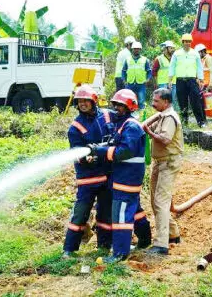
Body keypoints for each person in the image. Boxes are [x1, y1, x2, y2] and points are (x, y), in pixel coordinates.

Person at [91, 89, 151, 263]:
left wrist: (101, 151)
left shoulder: (131, 126)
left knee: (122, 215)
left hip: (127, 178)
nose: (116, 108)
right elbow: (116, 143)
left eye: (121, 105)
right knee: (134, 209)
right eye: (115, 104)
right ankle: (145, 239)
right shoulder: (124, 124)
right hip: (124, 178)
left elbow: (125, 151)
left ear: (130, 107)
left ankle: (120, 253)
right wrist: (100, 147)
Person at [62, 85, 113, 257]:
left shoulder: (107, 115)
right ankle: (69, 249)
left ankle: (104, 246)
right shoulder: (75, 127)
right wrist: (86, 158)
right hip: (88, 179)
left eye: (86, 101)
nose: (82, 104)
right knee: (80, 214)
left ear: (94, 101)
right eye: (79, 101)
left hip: (106, 176)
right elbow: (76, 152)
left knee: (105, 214)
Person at [143, 88, 184, 256]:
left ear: (166, 102)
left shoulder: (170, 118)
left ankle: (161, 244)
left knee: (161, 201)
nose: (153, 103)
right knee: (155, 200)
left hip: (169, 162)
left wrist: (149, 133)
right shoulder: (161, 115)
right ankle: (173, 234)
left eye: (156, 101)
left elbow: (166, 140)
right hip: (160, 162)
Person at [169, 34, 206, 127]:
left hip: (192, 81)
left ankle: (200, 122)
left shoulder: (195, 53)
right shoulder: (177, 54)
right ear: (182, 42)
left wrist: (201, 79)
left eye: (189, 42)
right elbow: (172, 66)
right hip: (180, 81)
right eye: (186, 41)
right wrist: (170, 79)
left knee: (196, 101)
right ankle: (184, 122)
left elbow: (199, 67)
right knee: (182, 102)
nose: (187, 43)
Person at [122, 41, 152, 109]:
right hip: (130, 83)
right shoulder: (127, 59)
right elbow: (123, 71)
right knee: (129, 100)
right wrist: (124, 80)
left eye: (138, 49)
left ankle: (141, 115)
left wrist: (147, 79)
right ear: (132, 49)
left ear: (140, 49)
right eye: (135, 48)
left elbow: (149, 71)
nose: (136, 50)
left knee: (141, 101)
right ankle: (129, 114)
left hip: (141, 83)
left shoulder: (145, 60)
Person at [152, 41, 177, 109]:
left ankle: (172, 114)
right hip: (163, 83)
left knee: (173, 100)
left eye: (173, 48)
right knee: (163, 100)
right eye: (171, 48)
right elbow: (154, 72)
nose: (172, 50)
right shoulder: (159, 59)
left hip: (173, 82)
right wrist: (156, 83)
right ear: (165, 49)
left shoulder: (175, 58)